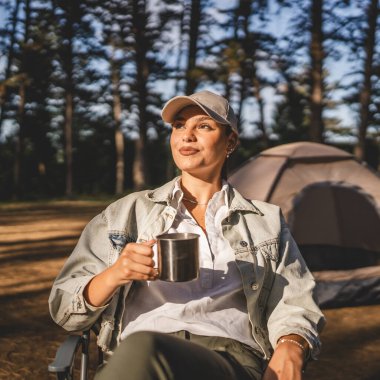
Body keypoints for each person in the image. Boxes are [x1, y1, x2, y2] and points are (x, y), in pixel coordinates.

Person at [49, 90, 325, 380]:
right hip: (136, 361)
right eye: (179, 125)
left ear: (230, 141)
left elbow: (296, 302)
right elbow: (65, 310)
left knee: (146, 347)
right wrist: (116, 273)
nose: (187, 135)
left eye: (203, 126)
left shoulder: (265, 221)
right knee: (144, 347)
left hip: (230, 362)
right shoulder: (124, 213)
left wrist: (291, 345)